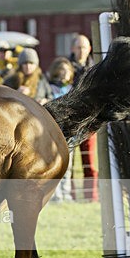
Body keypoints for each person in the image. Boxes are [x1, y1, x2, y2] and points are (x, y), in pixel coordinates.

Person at [69, 34, 98, 202]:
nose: (81, 51)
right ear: (72, 49)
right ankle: (70, 195)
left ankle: (90, 197)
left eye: (84, 47)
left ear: (89, 49)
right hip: (70, 122)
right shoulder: (65, 67)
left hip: (89, 121)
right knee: (69, 164)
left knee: (90, 163)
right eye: (78, 47)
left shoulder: (95, 69)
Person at [46, 57, 75, 202]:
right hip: (54, 132)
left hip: (69, 132)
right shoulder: (50, 88)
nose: (64, 73)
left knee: (67, 166)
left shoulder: (72, 89)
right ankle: (55, 194)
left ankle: (66, 193)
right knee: (55, 164)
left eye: (67, 70)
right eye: (62, 70)